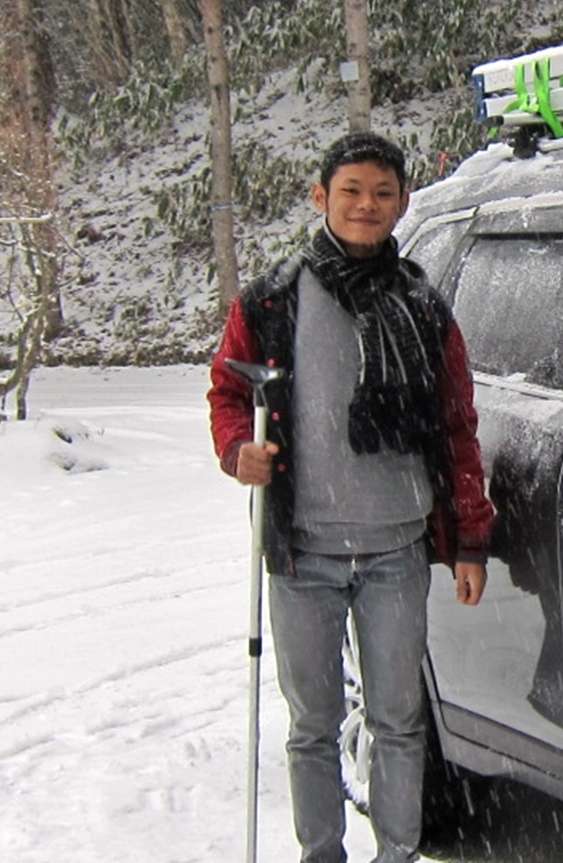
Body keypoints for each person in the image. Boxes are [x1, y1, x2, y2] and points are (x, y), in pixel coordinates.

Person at [207, 131, 493, 863]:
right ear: (321, 198)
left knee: (399, 721)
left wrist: (468, 540)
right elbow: (228, 392)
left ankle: (396, 854)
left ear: (400, 204)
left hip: (396, 547)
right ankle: (320, 855)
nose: (366, 206)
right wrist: (240, 449)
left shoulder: (422, 306)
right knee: (312, 724)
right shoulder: (272, 300)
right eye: (351, 191)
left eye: (382, 193)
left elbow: (457, 426)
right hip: (301, 551)